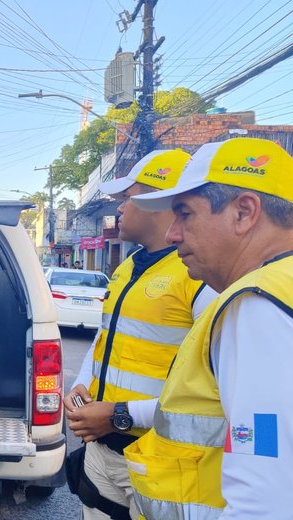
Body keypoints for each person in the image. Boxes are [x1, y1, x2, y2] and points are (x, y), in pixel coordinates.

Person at [124, 137, 293, 518]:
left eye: (185, 214)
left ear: (244, 212)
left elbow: (264, 495)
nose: (172, 234)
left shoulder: (256, 306)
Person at [63, 149, 217, 520]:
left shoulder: (200, 279)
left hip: (161, 456)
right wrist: (83, 384)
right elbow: (104, 336)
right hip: (102, 448)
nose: (118, 210)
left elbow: (211, 395)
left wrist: (119, 415)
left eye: (126, 199)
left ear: (156, 203)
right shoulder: (128, 266)